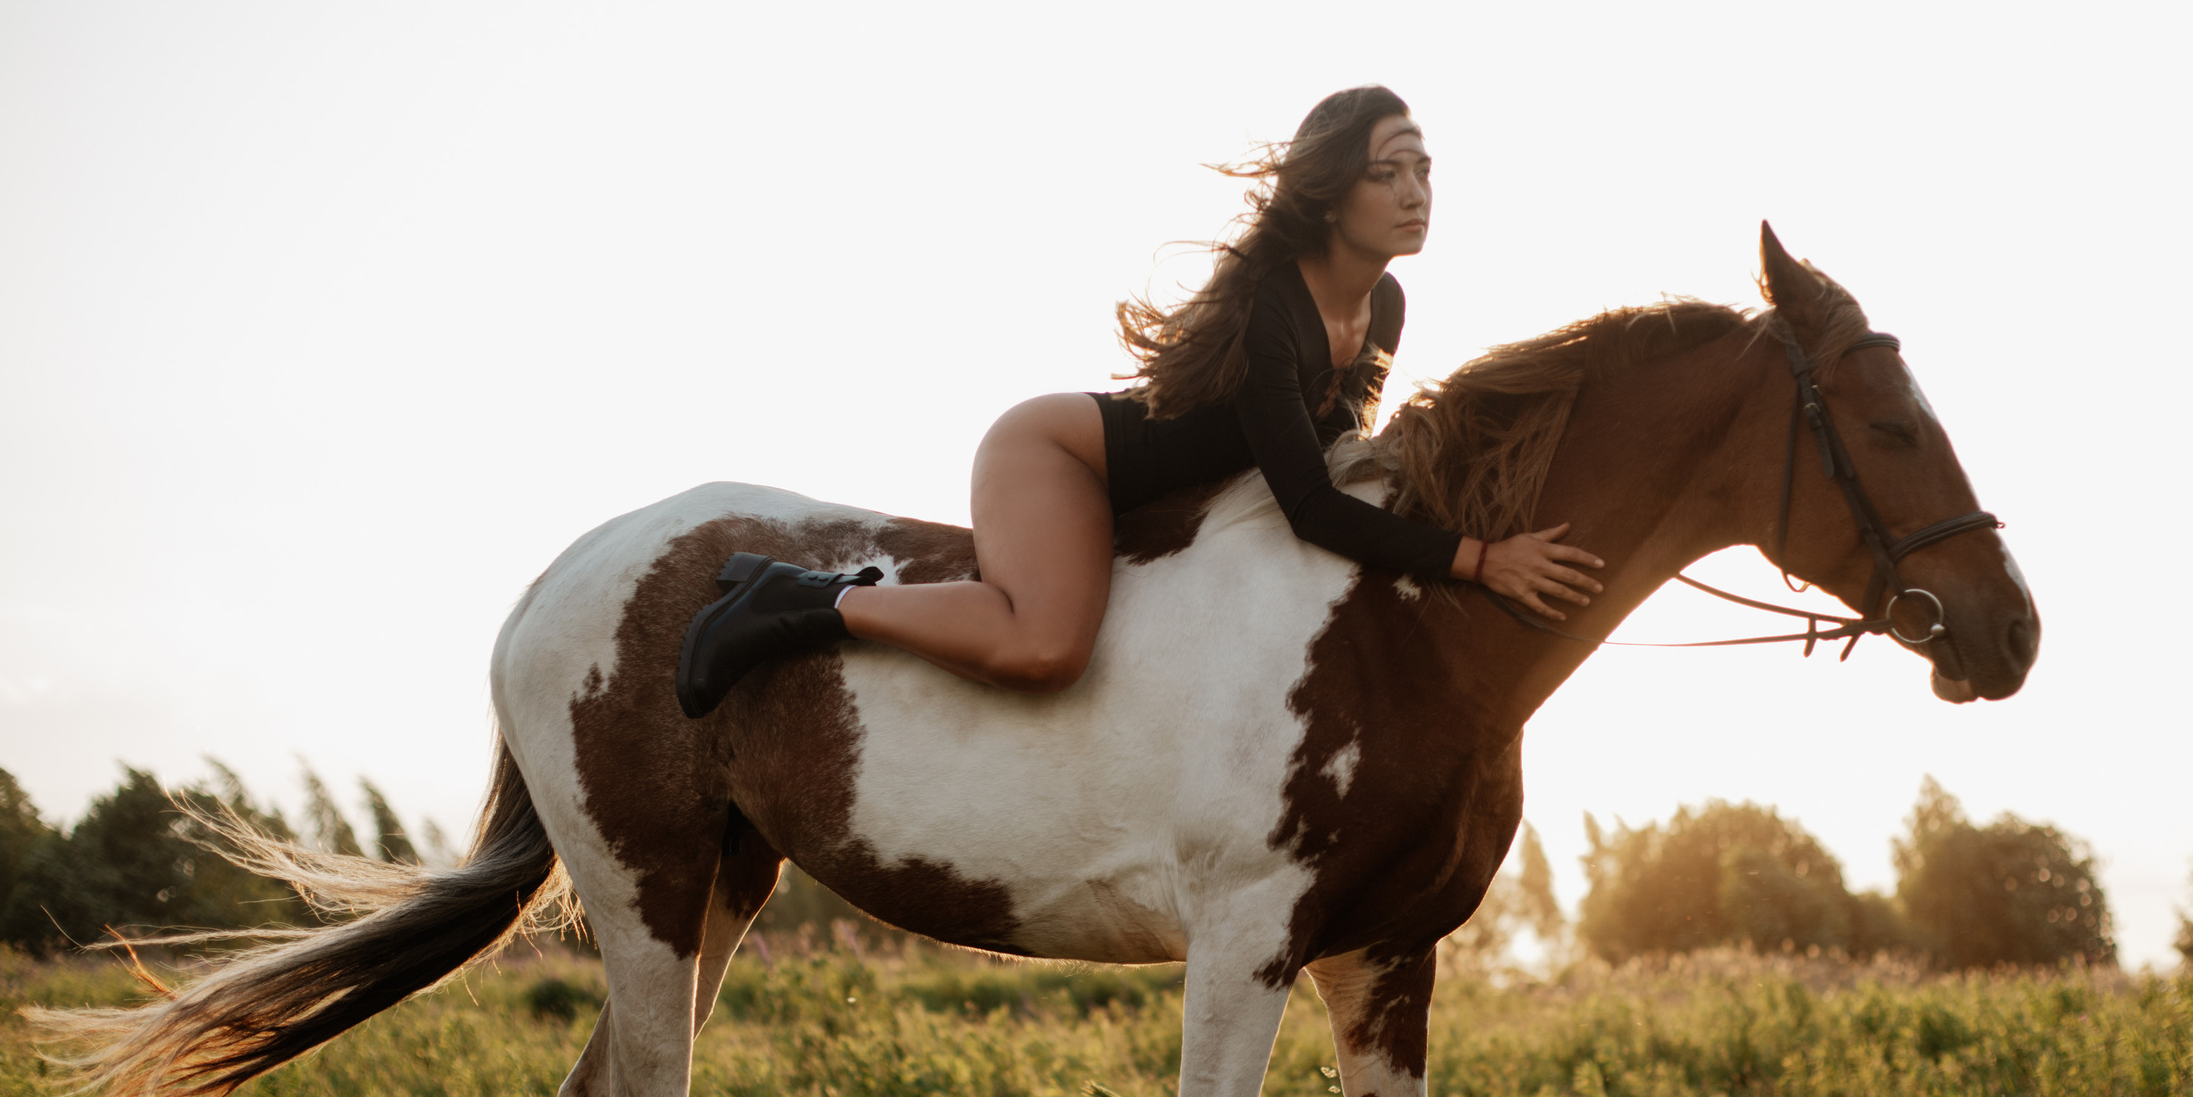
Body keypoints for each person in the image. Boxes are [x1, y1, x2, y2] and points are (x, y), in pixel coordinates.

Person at [677, 86, 1605, 717]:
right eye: (1387, 172)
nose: (1416, 192)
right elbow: (1312, 504)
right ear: (1330, 196)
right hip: (1060, 455)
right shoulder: (1270, 308)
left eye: (1424, 168)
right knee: (1046, 648)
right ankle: (802, 597)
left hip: (1163, 494)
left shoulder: (1386, 305)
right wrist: (1479, 559)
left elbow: (1338, 457)